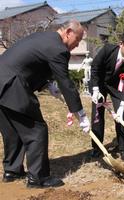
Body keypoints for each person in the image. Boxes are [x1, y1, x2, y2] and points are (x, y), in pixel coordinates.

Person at [0, 20, 91, 188]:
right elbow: (66, 82)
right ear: (68, 32)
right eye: (77, 41)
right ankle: (38, 178)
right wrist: (80, 113)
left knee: (13, 129)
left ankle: (12, 171)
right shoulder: (58, 49)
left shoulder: (44, 37)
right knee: (36, 129)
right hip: (12, 85)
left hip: (2, 82)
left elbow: (31, 63)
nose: (76, 46)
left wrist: (47, 85)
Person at [90, 30, 124, 162]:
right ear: (121, 44)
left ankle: (123, 148)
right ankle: (97, 148)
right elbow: (95, 68)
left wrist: (122, 105)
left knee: (122, 116)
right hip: (99, 84)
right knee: (97, 114)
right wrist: (95, 89)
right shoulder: (107, 50)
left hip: (116, 87)